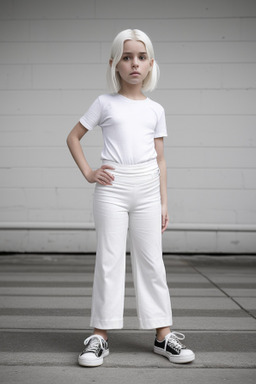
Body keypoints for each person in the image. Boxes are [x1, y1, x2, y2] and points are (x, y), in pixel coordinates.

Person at [67, 29, 195, 367]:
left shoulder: (156, 110)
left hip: (148, 190)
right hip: (112, 188)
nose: (134, 63)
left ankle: (163, 337)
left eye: (140, 57)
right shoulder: (104, 103)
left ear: (151, 64)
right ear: (115, 64)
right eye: (127, 57)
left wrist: (165, 202)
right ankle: (99, 336)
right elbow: (74, 137)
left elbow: (161, 158)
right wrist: (89, 172)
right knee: (109, 260)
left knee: (152, 261)